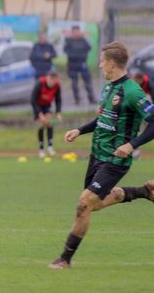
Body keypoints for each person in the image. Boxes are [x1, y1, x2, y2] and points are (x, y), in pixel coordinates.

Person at [48, 41, 154, 269]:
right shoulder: (108, 88)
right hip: (97, 156)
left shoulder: (133, 92)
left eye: (102, 62)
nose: (99, 66)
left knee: (84, 204)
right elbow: (103, 118)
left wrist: (131, 145)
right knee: (93, 205)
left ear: (112, 63)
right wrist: (80, 130)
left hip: (115, 159)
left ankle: (65, 259)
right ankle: (143, 191)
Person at [31, 70, 62, 158]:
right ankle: (41, 149)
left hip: (46, 105)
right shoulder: (40, 83)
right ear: (47, 78)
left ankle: (50, 147)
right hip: (37, 105)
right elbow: (33, 100)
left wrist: (58, 112)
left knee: (49, 123)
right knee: (41, 125)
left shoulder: (57, 85)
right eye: (51, 79)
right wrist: (40, 114)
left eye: (54, 80)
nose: (52, 82)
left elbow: (58, 100)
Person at [63, 25, 96, 105]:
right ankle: (77, 100)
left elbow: (88, 48)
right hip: (72, 64)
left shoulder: (83, 40)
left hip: (82, 63)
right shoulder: (68, 41)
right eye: (74, 32)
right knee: (74, 83)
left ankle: (91, 99)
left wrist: (81, 54)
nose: (76, 33)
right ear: (72, 32)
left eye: (77, 31)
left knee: (87, 82)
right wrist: (75, 54)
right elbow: (66, 50)